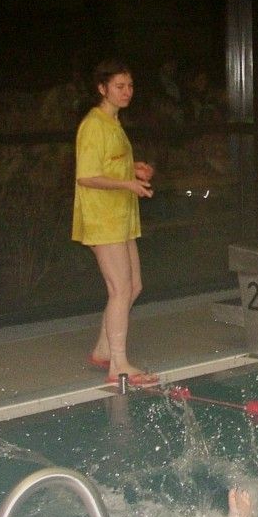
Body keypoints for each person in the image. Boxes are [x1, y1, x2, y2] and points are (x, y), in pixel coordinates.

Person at [72, 59, 158, 388]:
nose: (127, 92)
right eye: (119, 86)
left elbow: (109, 164)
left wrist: (134, 170)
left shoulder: (113, 122)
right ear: (102, 88)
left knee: (133, 286)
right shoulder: (94, 124)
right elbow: (87, 176)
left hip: (119, 217)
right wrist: (127, 184)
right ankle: (118, 366)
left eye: (130, 86)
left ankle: (103, 350)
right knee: (119, 289)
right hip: (102, 218)